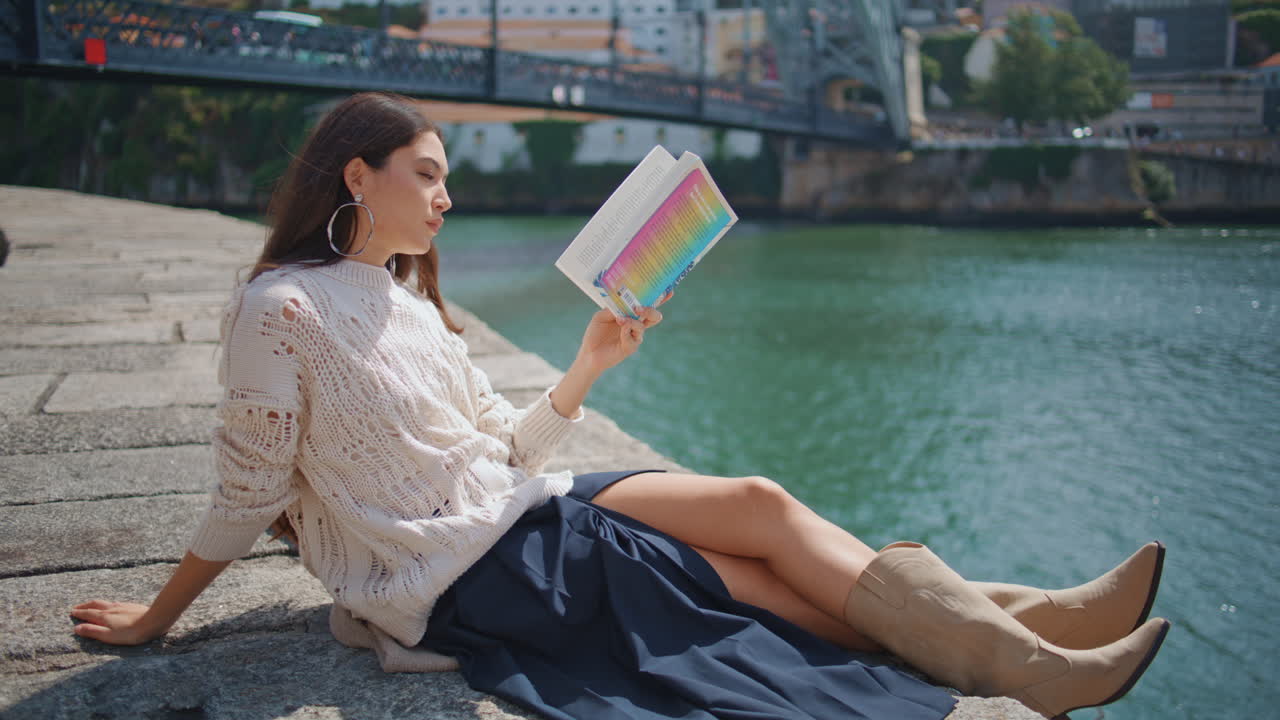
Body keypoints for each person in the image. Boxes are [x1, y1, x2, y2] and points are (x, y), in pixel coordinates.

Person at [70, 93, 1169, 720]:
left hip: (512, 502)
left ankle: (1028, 636)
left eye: (446, 176)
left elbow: (499, 446)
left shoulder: (406, 302)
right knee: (743, 583)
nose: (446, 196)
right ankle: (1020, 653)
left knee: (758, 503)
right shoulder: (284, 306)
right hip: (450, 561)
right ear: (356, 177)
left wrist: (590, 363)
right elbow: (248, 485)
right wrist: (159, 620)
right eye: (426, 172)